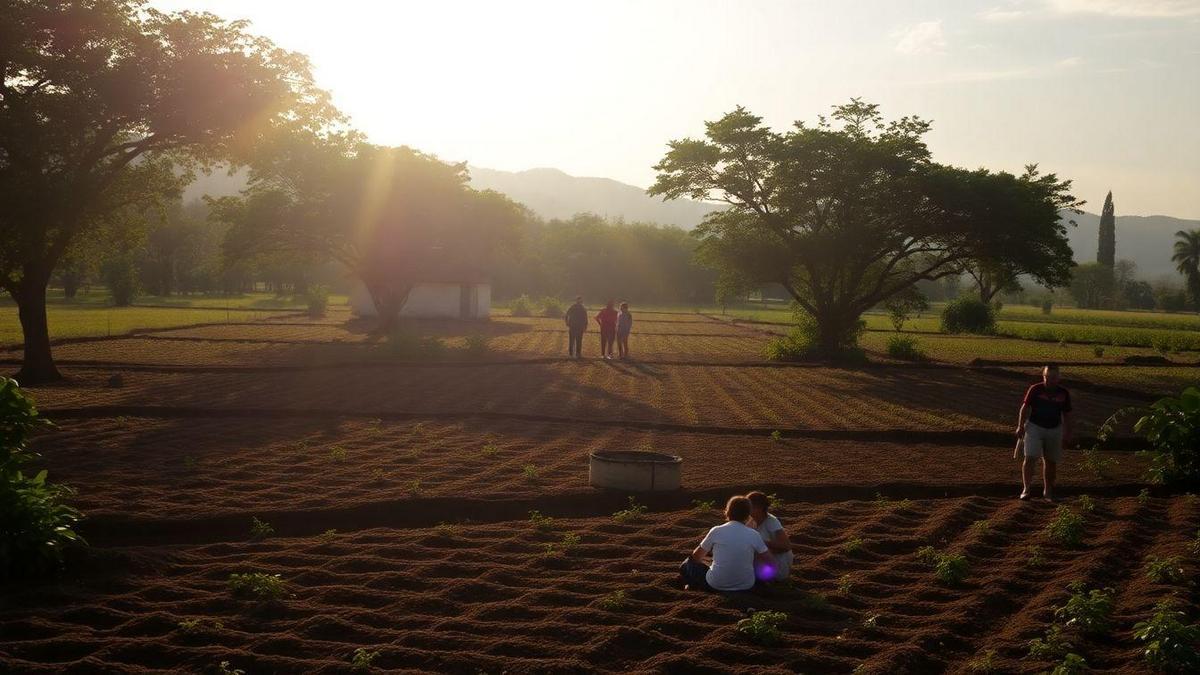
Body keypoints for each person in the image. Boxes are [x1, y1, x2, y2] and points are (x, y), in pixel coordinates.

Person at [679, 495, 773, 592]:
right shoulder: (754, 534)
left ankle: (691, 585)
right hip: (746, 585)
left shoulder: (716, 531)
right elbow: (770, 561)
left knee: (688, 563)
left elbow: (696, 556)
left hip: (715, 584)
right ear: (748, 515)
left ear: (727, 511)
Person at [1016, 364, 1073, 502]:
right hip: (1035, 426)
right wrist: (1020, 426)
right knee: (1030, 457)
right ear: (1044, 377)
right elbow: (1024, 408)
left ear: (1058, 378)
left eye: (1053, 377)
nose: (1050, 380)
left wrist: (1067, 433)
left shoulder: (1063, 393)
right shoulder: (1035, 389)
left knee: (1051, 461)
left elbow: (1067, 414)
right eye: (1047, 377)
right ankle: (1026, 489)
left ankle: (1047, 491)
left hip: (1055, 429)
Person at [746, 491, 794, 583]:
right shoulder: (751, 521)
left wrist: (761, 542)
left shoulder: (771, 522)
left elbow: (786, 546)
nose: (746, 509)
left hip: (777, 564)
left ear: (759, 508)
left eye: (749, 506)